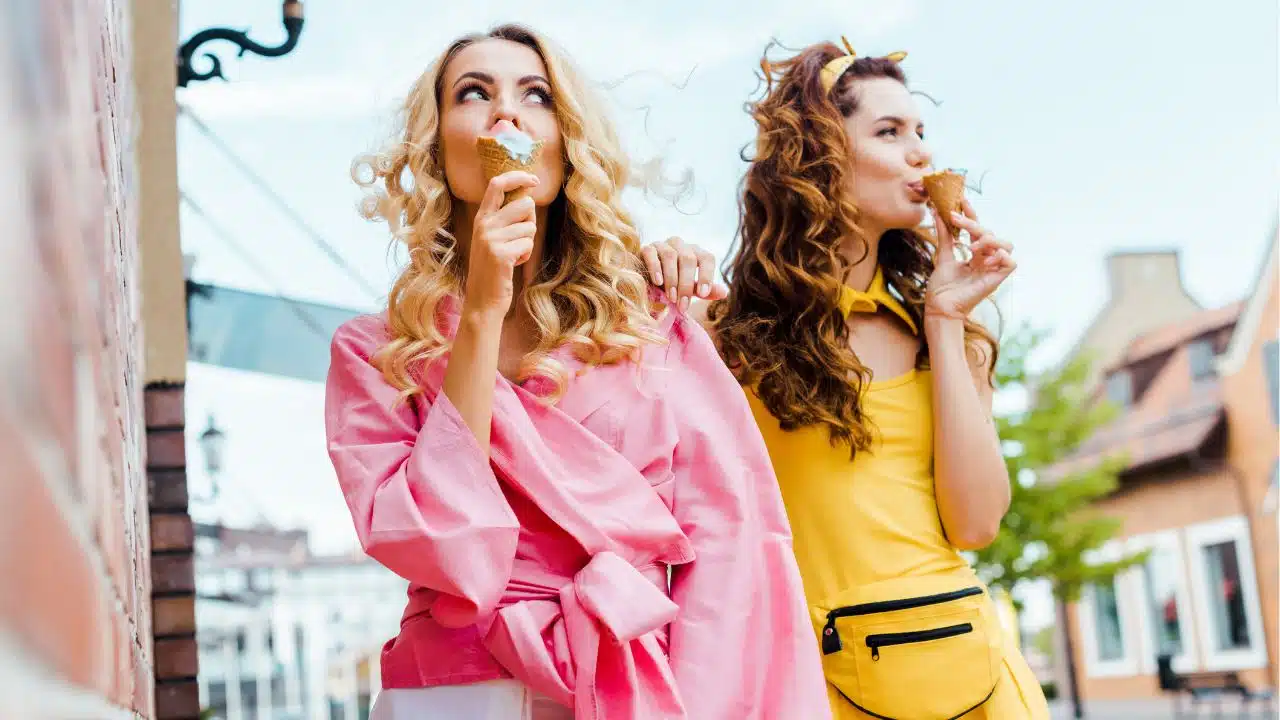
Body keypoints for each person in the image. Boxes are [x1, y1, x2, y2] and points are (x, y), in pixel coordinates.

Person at [325, 24, 831, 720]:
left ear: (565, 140)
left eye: (535, 94)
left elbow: (733, 548)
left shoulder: (648, 324)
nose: (507, 111)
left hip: (642, 680)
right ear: (438, 145)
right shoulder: (374, 353)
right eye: (474, 92)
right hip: (456, 692)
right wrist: (480, 310)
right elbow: (442, 549)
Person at [642, 37, 1051, 719]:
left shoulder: (947, 337)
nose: (920, 151)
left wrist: (946, 320)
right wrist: (657, 290)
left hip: (968, 676)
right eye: (889, 132)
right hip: (805, 679)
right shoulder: (725, 334)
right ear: (816, 154)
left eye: (921, 131)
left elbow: (976, 523)